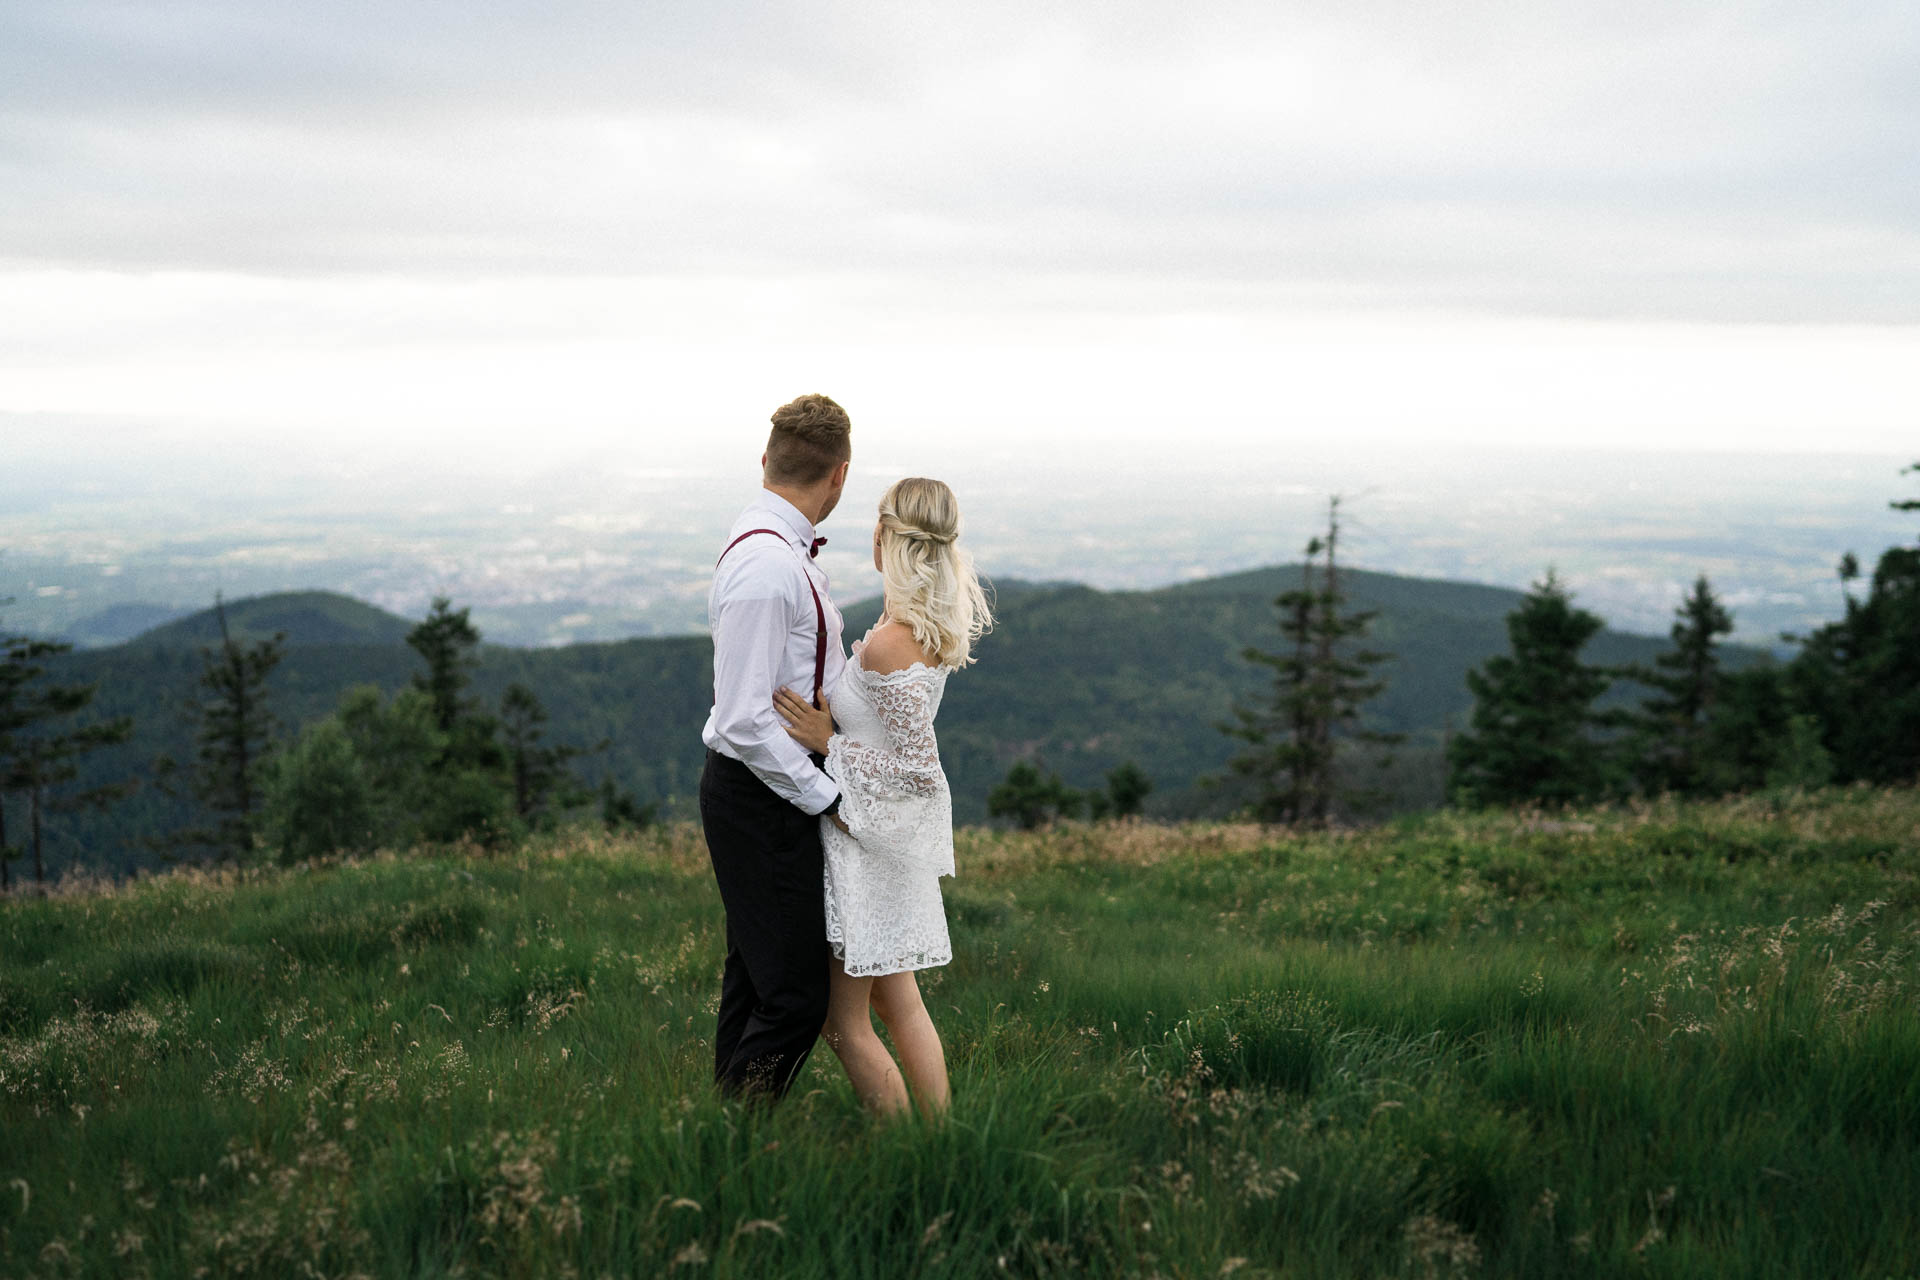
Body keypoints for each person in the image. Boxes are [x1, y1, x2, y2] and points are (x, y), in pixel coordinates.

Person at [773, 477, 991, 1118]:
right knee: (898, 1000)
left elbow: (922, 773)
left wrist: (828, 739)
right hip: (876, 843)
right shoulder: (909, 629)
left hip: (868, 853)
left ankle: (908, 1154)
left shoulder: (896, 643)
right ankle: (939, 1138)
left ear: (885, 539)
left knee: (842, 1024)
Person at [698, 393, 853, 1101]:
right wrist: (828, 795)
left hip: (769, 788)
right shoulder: (768, 568)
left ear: (766, 461)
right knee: (794, 996)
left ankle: (724, 1140)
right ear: (839, 476)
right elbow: (743, 720)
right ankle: (736, 1123)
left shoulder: (778, 553)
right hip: (766, 794)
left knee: (757, 981)